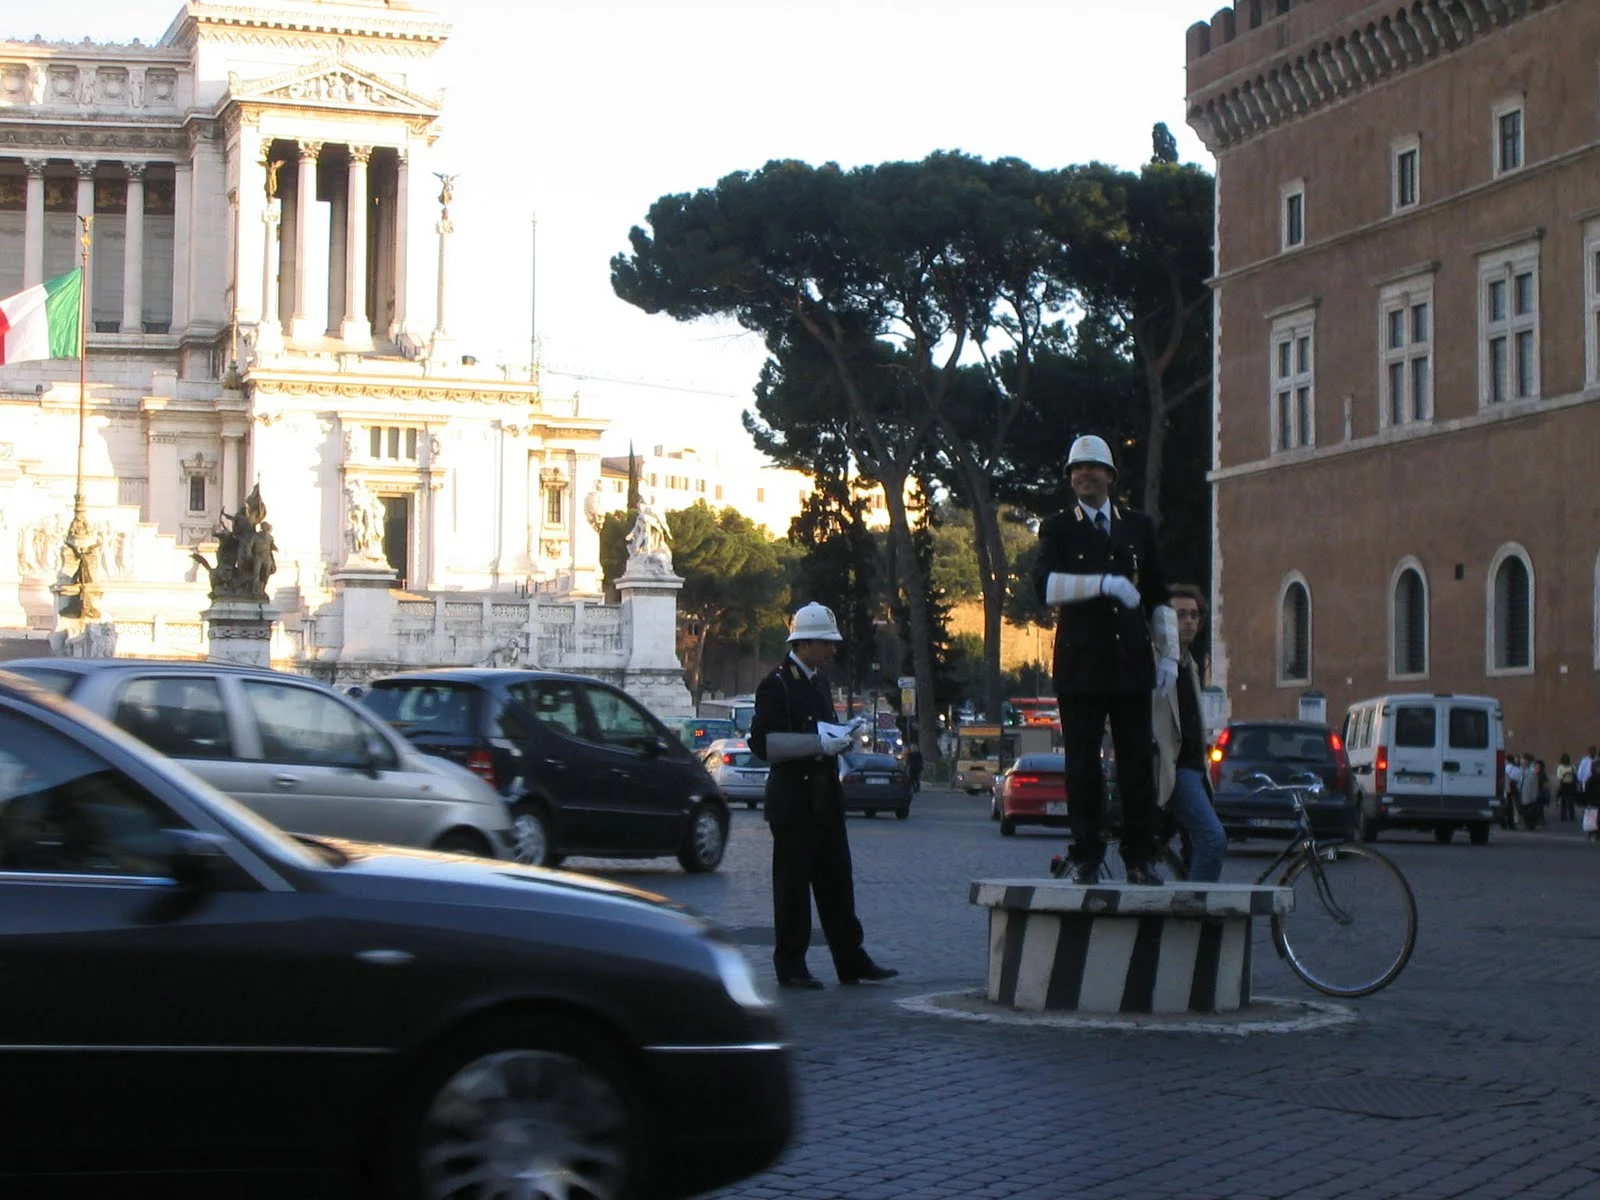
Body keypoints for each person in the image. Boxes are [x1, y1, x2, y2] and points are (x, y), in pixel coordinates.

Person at [1031, 434, 1178, 885]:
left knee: (1136, 761)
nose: (1083, 476)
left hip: (1130, 660)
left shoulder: (1136, 526)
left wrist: (1169, 653)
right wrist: (1103, 584)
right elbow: (1046, 586)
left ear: (1110, 476)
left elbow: (1157, 593)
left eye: (1092, 468)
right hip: (1081, 664)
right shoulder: (1058, 527)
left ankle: (1139, 854)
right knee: (1082, 764)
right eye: (1076, 470)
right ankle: (1087, 853)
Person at [747, 602, 899, 990]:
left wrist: (840, 737)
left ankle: (851, 960)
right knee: (792, 889)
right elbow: (762, 743)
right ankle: (792, 966)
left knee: (838, 885)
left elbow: (820, 732)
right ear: (805, 643)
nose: (833, 651)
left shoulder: (818, 682)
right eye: (826, 644)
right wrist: (818, 744)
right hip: (794, 803)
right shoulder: (776, 684)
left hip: (825, 798)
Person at [1152, 583, 1227, 882]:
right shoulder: (1154, 662)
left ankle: (1186, 899)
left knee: (1192, 850)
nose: (1189, 622)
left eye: (1194, 615)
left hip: (1197, 770)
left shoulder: (1190, 665)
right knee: (1213, 839)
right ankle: (1195, 910)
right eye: (1180, 615)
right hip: (1174, 771)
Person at [1556, 753, 1578, 824]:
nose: (1566, 761)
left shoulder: (1572, 766)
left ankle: (1571, 816)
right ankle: (1563, 816)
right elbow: (1559, 777)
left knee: (1571, 802)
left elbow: (1575, 775)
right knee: (1564, 802)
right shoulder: (1560, 767)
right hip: (1564, 786)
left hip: (1571, 786)